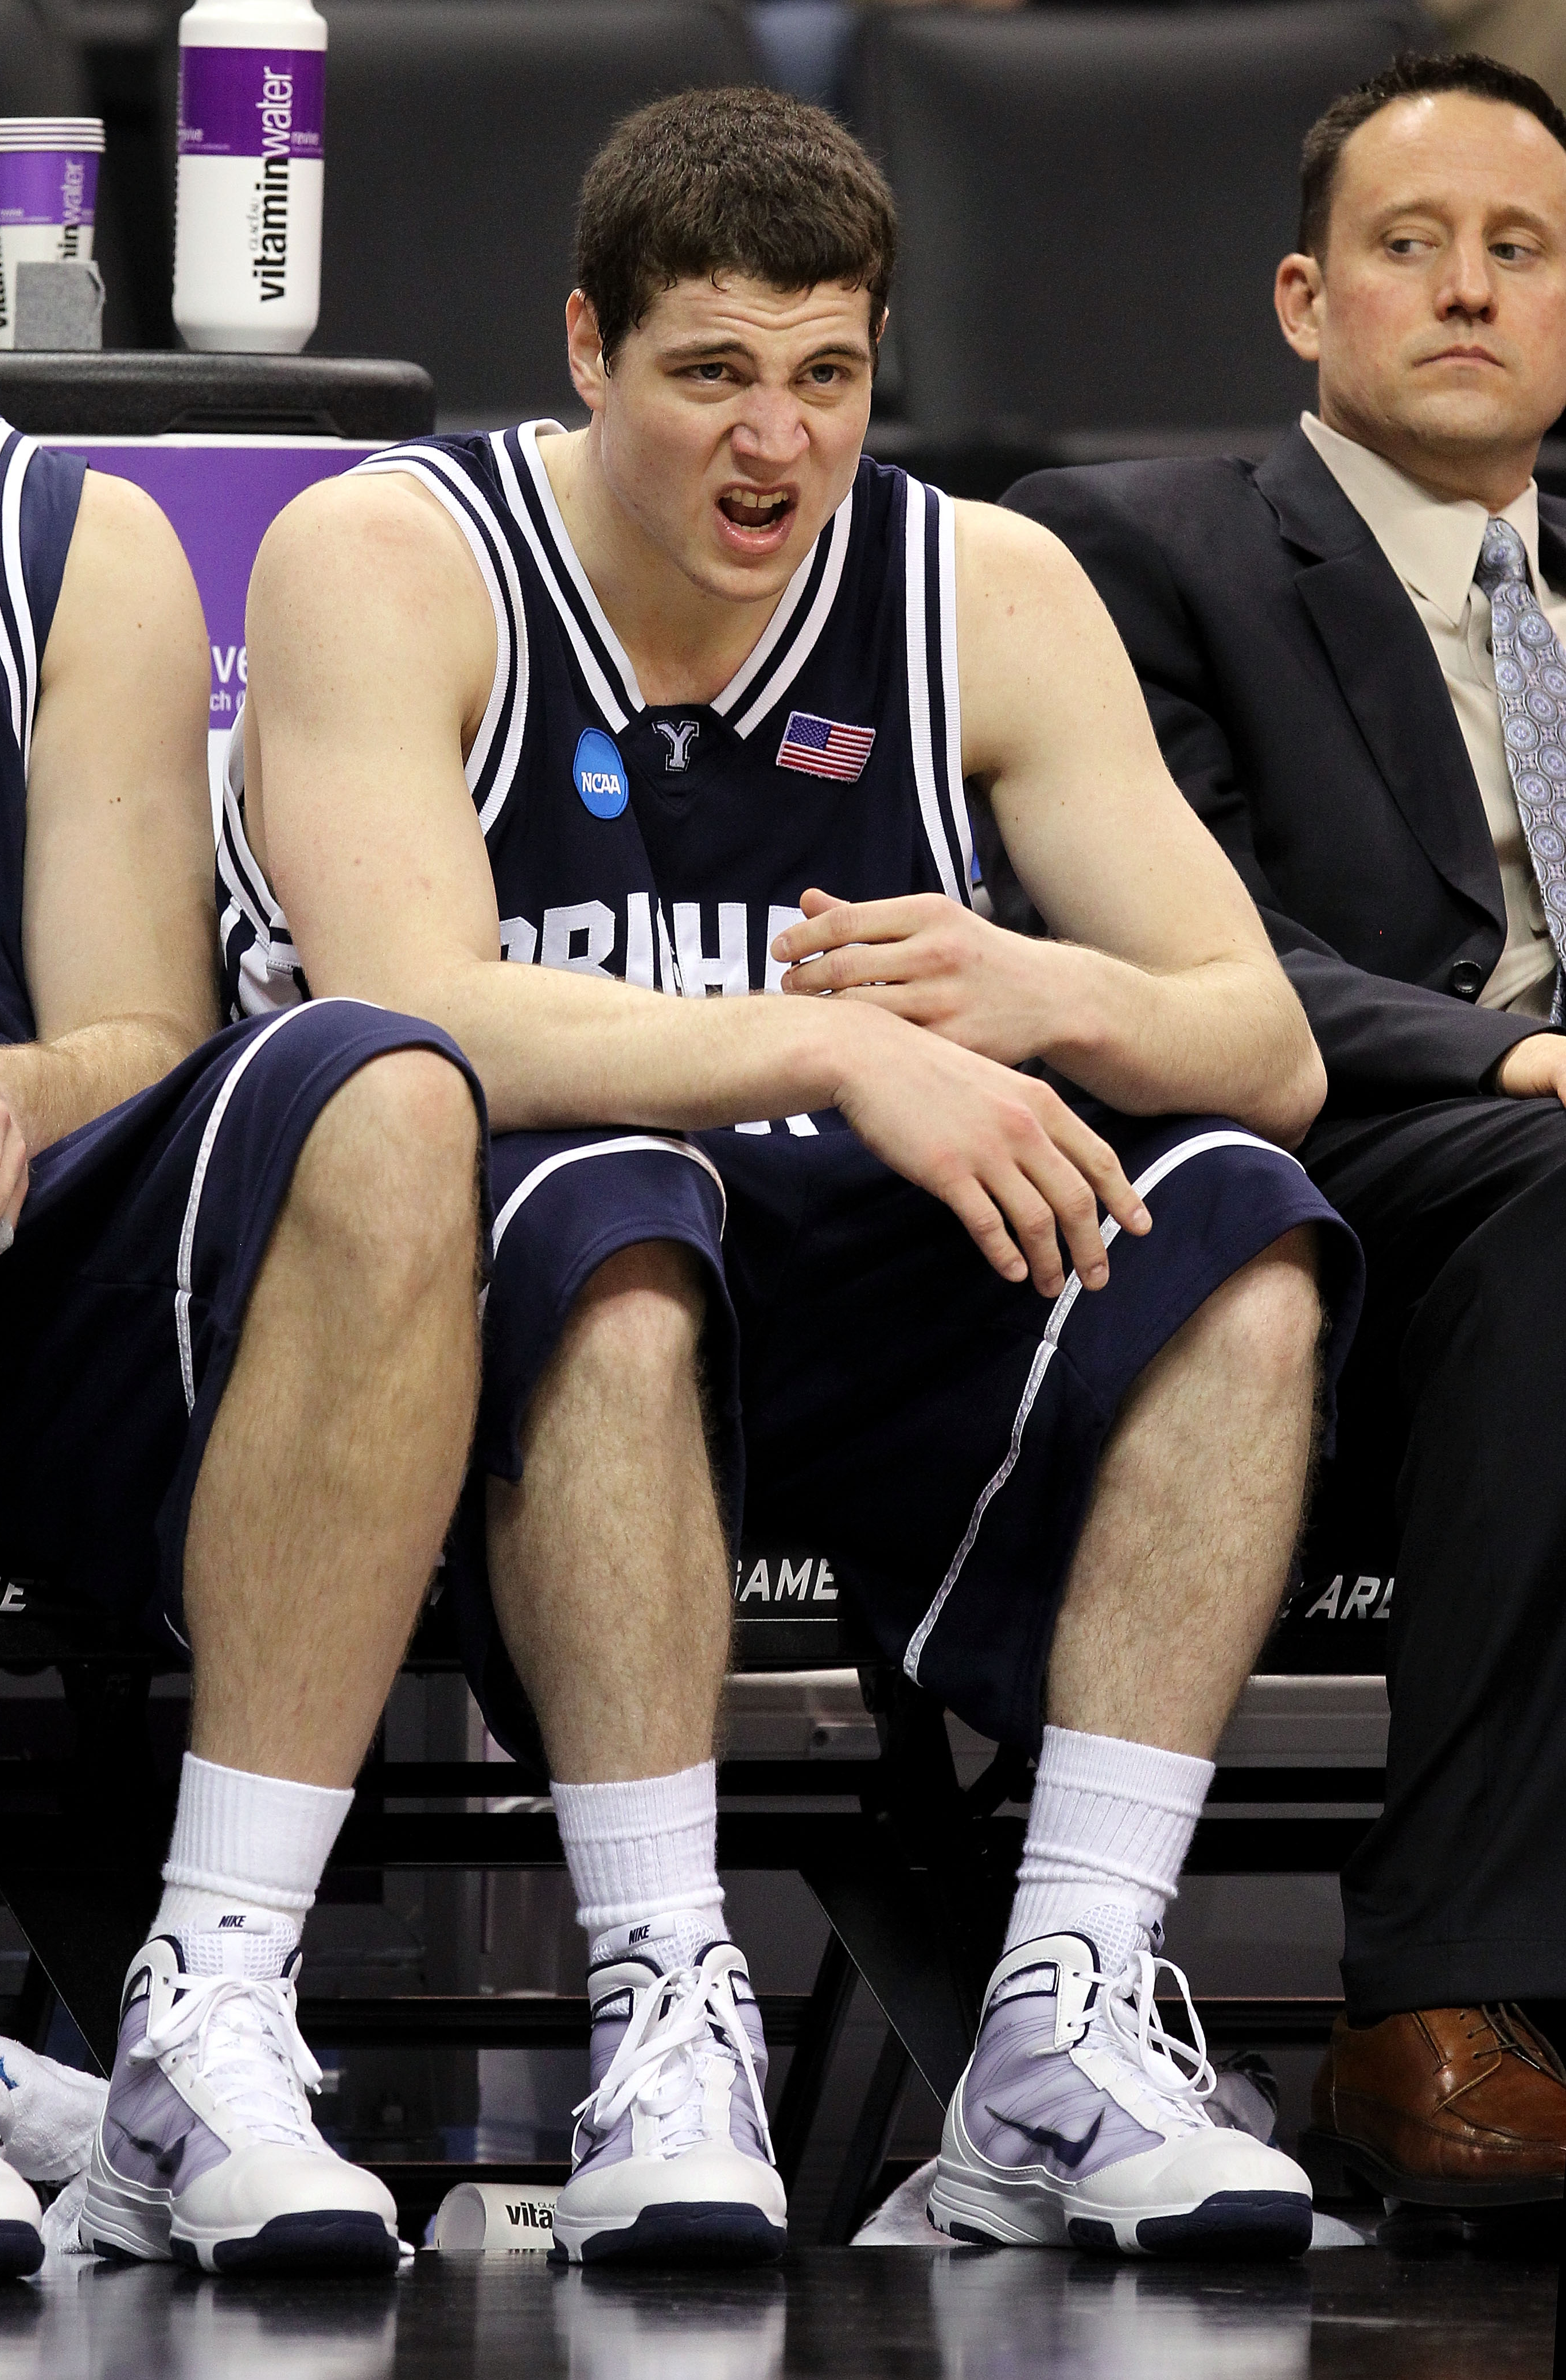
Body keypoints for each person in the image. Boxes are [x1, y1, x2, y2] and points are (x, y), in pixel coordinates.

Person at [229, 86, 1361, 2265]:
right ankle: (667, 2007)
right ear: (585, 348)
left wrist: (1040, 989)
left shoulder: (986, 586)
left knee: (1237, 1228)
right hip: (468, 1323)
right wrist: (844, 1038)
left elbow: (1272, 1040)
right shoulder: (388, 554)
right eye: (713, 374)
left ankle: (1070, 2015)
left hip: (863, 1285)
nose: (777, 445)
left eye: (828, 375)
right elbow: (412, 1008)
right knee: (617, 1217)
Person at [1007, 50, 1566, 2213]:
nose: (1466, 289)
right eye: (1409, 247)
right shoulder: (1138, 551)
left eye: (1517, 251)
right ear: (1302, 301)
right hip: (1335, 1178)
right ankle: (1439, 1996)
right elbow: (1164, 944)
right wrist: (1504, 1056)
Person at [0, 413, 486, 2277]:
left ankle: (204, 2017)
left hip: (27, 1279)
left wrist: (8, 1089)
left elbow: (134, 1033)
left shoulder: (64, 543)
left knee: (391, 1085)